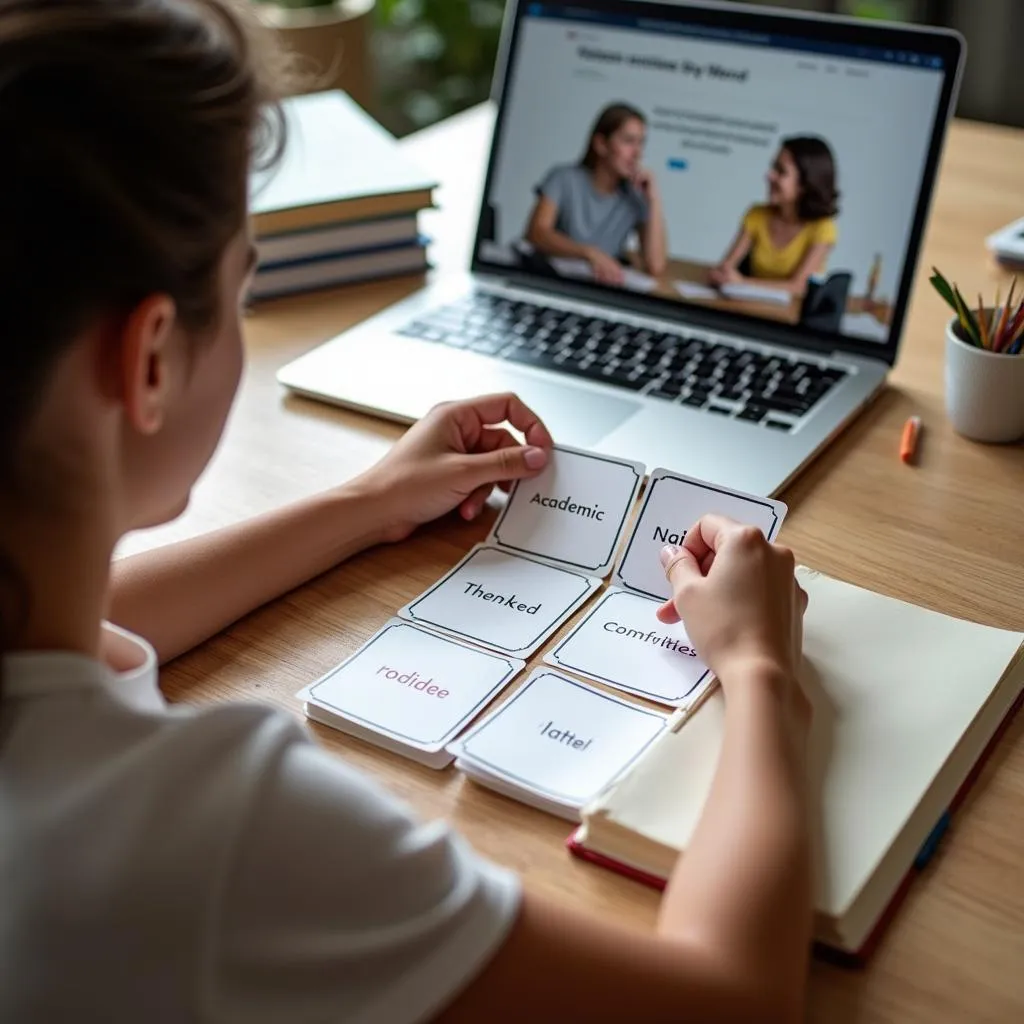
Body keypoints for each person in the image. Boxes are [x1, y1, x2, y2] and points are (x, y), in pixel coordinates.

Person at [0, 2, 814, 1021]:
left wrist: (365, 501)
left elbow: (102, 615)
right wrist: (758, 668)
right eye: (241, 289)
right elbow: (728, 999)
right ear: (151, 358)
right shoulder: (212, 833)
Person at [525, 102, 668, 285]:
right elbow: (536, 232)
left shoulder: (635, 196)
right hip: (553, 282)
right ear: (601, 144)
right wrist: (589, 253)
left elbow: (655, 265)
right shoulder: (563, 178)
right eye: (628, 141)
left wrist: (654, 199)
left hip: (600, 288)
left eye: (641, 143)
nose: (637, 153)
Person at [709, 136, 840, 297]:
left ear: (805, 184)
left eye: (781, 171)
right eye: (773, 167)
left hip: (790, 318)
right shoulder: (756, 214)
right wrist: (721, 275)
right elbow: (726, 267)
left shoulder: (822, 228)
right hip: (752, 309)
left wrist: (743, 283)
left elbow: (799, 287)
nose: (769, 176)